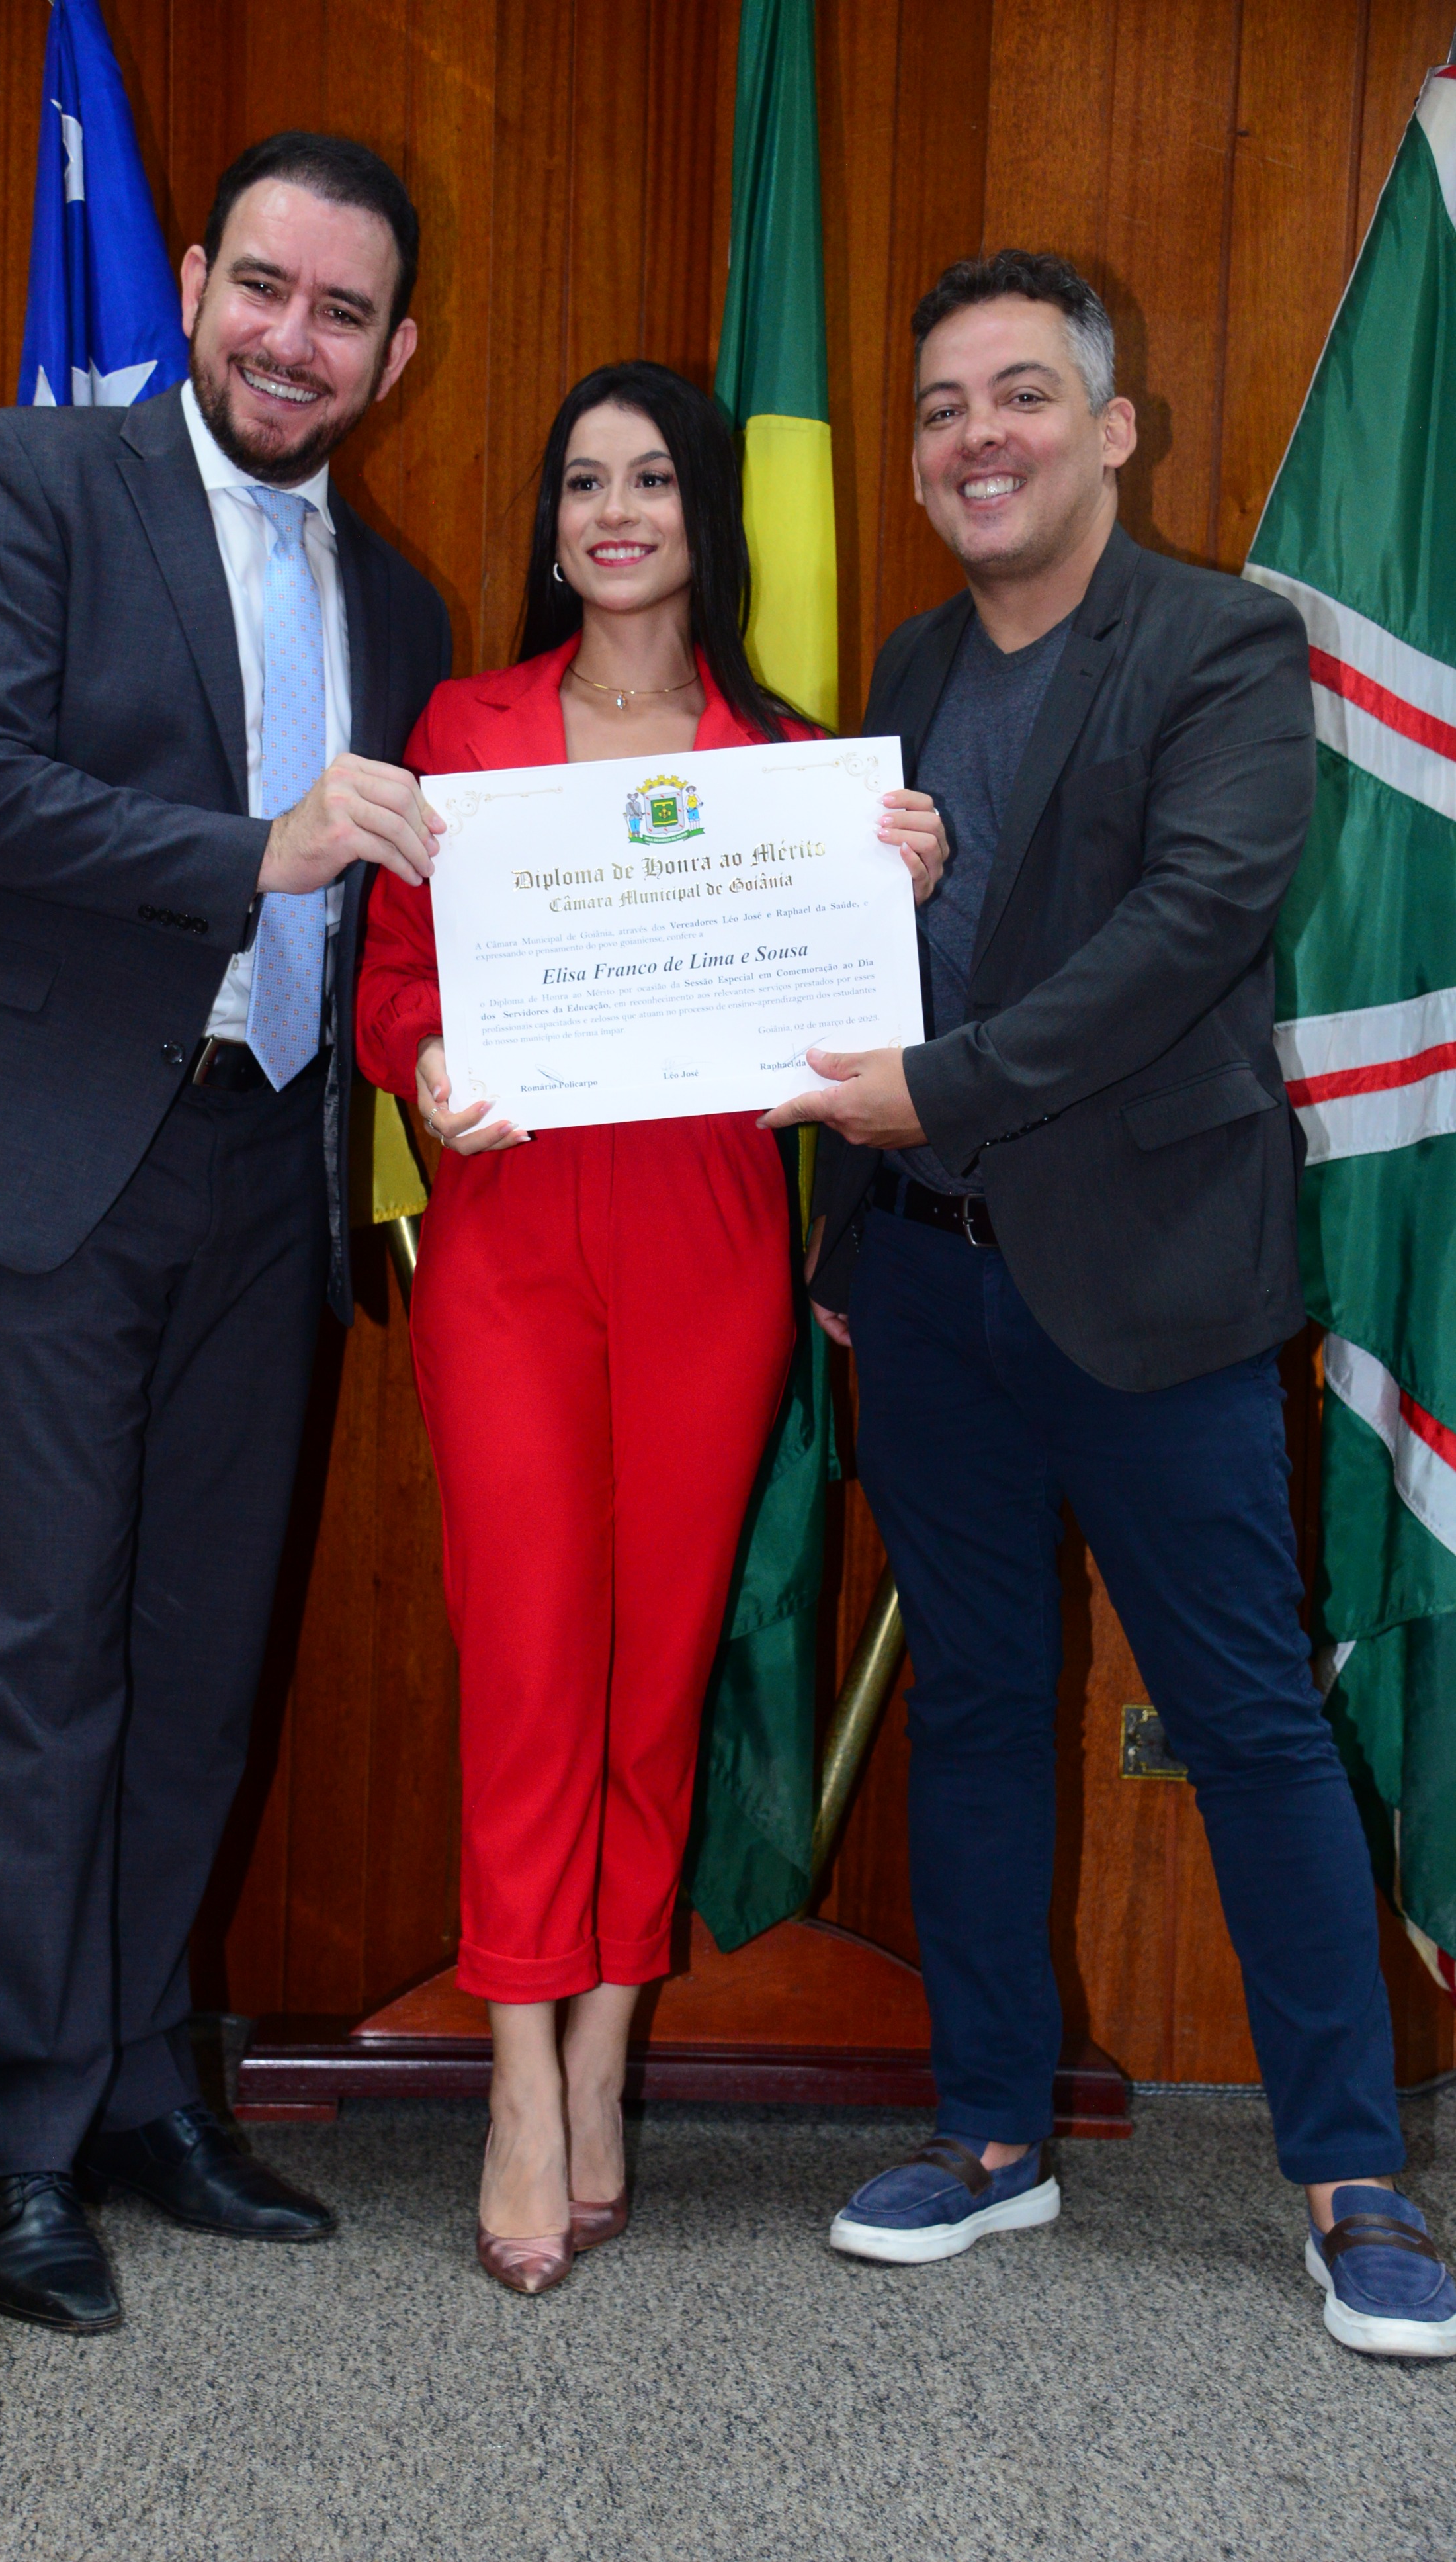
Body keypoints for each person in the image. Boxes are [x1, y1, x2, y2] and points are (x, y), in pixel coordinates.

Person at [0, 131, 451, 2336]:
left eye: (341, 312)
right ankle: (7, 2140)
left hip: (273, 1171)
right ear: (190, 279)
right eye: (263, 286)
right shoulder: (34, 480)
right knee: (27, 1657)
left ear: (395, 354)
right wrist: (255, 849)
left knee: (192, 1656)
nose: (291, 337)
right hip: (48, 1158)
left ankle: (149, 2090)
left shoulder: (404, 606)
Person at [769, 250, 1456, 2358]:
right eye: (941, 408)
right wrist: (851, 1229)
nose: (976, 437)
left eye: (1020, 396)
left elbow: (1191, 925)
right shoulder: (905, 659)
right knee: (976, 1713)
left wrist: (939, 1095)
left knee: (1250, 1720)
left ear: (1111, 429)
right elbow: (870, 964)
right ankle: (993, 2134)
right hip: (929, 1287)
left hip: (1153, 1292)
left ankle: (1352, 2178)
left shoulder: (1223, 643)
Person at [357, 360, 947, 2294]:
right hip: (513, 1239)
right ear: (553, 525)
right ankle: (520, 2076)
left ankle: (607, 2040)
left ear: (705, 514)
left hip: (710, 1245)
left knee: (661, 1660)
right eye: (583, 481)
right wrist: (422, 1061)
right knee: (532, 1652)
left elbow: (859, 1029)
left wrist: (901, 899)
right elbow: (392, 979)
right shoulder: (466, 729)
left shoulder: (793, 765)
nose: (616, 513)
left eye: (652, 481)